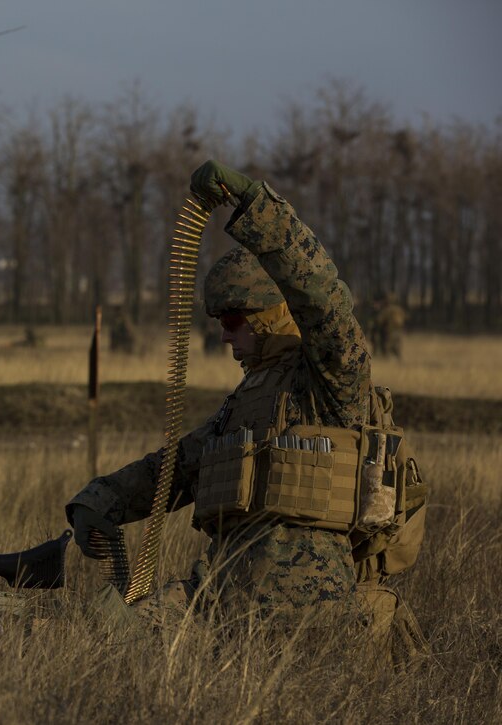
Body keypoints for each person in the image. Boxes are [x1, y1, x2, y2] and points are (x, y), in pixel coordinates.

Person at [67, 160, 421, 633]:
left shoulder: (330, 382)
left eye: (232, 321)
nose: (224, 337)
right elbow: (174, 469)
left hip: (308, 604)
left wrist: (256, 203)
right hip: (220, 592)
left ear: (272, 313)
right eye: (218, 324)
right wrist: (100, 500)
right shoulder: (244, 402)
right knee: (98, 635)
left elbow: (322, 298)